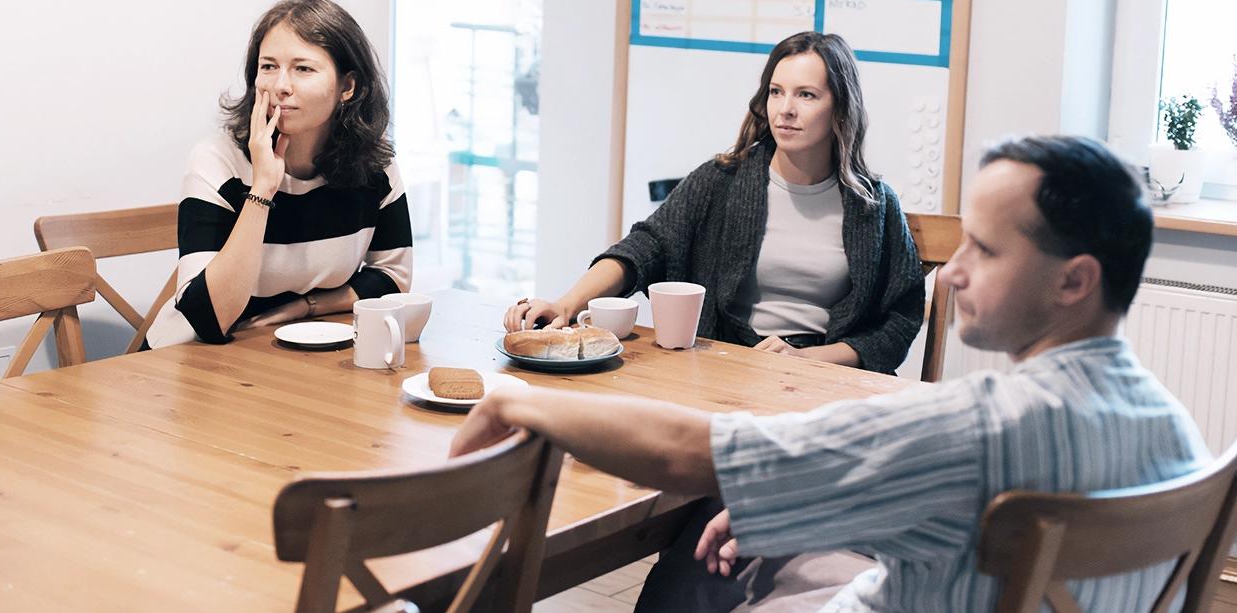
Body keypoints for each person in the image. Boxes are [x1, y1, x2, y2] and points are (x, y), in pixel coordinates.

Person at [456, 135, 1211, 611]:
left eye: (985, 250)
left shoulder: (975, 425)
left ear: (1073, 281)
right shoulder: (1175, 430)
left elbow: (694, 451)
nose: (951, 275)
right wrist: (791, 499)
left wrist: (526, 402)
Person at [506, 32, 924, 374]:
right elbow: (645, 247)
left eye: (807, 95)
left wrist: (813, 359)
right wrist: (565, 303)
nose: (786, 110)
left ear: (840, 107)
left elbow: (901, 317)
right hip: (724, 365)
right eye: (776, 92)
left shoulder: (875, 206)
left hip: (823, 379)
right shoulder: (722, 179)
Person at [145, 0, 413, 348]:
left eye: (303, 69)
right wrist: (263, 189)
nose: (280, 86)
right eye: (268, 67)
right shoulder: (218, 160)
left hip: (288, 358)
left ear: (348, 86)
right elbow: (209, 318)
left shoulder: (373, 166)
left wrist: (305, 307)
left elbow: (392, 278)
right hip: (191, 362)